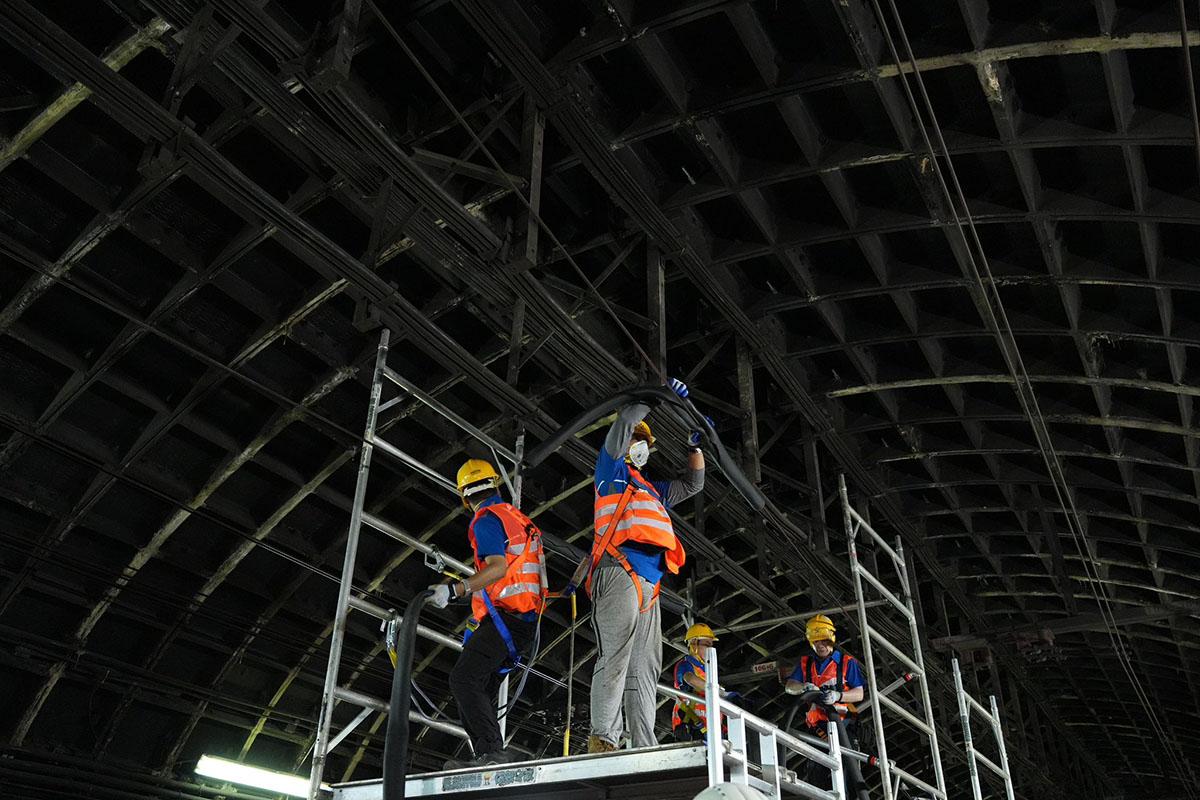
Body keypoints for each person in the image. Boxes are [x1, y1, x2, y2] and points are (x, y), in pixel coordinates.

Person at [572, 378, 705, 753]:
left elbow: (693, 484)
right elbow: (627, 419)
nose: (640, 444)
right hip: (618, 572)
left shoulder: (655, 490)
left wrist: (695, 447)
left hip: (650, 584)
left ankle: (644, 745)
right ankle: (604, 737)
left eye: (645, 441)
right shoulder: (610, 471)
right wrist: (658, 396)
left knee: (645, 668)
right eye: (636, 438)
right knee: (615, 653)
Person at [428, 459, 547, 768]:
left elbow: (497, 568)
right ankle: (488, 755)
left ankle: (492, 753)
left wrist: (455, 590)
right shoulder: (517, 518)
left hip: (507, 619)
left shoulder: (486, 520)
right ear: (495, 485)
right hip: (523, 620)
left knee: (463, 679)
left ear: (464, 497)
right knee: (480, 688)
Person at [785, 614, 869, 798]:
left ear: (831, 639)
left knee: (849, 773)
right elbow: (790, 686)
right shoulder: (806, 663)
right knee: (817, 773)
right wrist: (803, 687)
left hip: (844, 725)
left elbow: (859, 693)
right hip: (817, 729)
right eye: (816, 642)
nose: (820, 645)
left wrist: (839, 695)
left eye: (823, 641)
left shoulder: (846, 663)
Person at [672, 623, 722, 742]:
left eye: (712, 644)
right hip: (690, 726)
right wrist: (720, 693)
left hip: (708, 729)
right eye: (707, 644)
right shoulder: (686, 665)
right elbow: (690, 679)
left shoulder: (708, 671)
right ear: (694, 644)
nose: (711, 648)